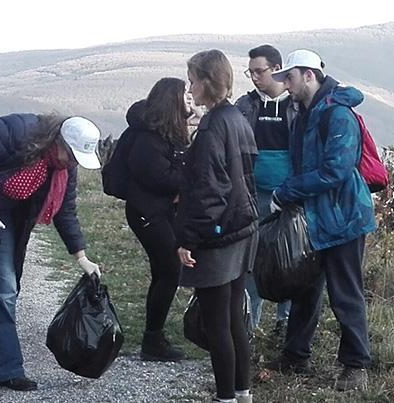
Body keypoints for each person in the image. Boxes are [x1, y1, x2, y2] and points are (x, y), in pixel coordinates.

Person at [0, 113, 103, 399]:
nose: (72, 163)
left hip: (2, 219)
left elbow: (66, 211)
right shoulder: (14, 131)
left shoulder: (63, 167)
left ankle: (7, 370)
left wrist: (81, 257)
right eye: (71, 155)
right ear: (58, 140)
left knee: (5, 290)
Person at [265, 49, 377, 392]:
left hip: (343, 218)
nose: (285, 83)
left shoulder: (337, 114)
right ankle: (295, 355)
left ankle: (356, 367)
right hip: (316, 217)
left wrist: (287, 192)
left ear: (309, 75)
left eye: (290, 77)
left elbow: (336, 171)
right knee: (304, 288)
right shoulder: (305, 113)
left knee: (346, 293)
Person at [176, 49, 258, 403]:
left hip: (217, 235)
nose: (190, 88)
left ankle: (225, 397)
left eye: (193, 80)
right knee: (234, 318)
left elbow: (208, 189)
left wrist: (188, 239)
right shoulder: (238, 118)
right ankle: (243, 393)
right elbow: (247, 173)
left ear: (209, 82)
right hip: (242, 229)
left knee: (216, 323)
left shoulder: (212, 127)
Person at [123, 77, 194, 361]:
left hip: (156, 211)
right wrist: (188, 182)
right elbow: (158, 177)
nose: (189, 99)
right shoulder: (149, 137)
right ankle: (152, 340)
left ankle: (153, 337)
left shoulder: (164, 132)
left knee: (164, 272)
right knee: (169, 271)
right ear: (171, 101)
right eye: (184, 96)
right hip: (147, 212)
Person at [233, 44, 295, 334]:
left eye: (260, 71)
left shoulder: (296, 104)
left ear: (277, 68)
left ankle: (285, 320)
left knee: (292, 255)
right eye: (251, 72)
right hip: (253, 193)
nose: (255, 77)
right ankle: (250, 322)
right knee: (252, 258)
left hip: (291, 194)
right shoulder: (245, 106)